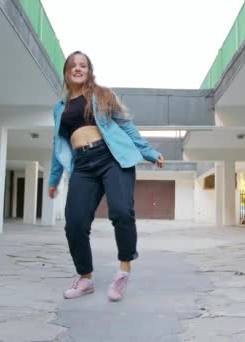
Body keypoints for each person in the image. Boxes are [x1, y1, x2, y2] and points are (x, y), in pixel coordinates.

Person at [48, 51, 164, 302]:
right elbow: (58, 145)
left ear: (89, 71)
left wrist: (149, 152)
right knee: (75, 224)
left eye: (84, 66)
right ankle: (85, 278)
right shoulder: (59, 108)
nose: (78, 69)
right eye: (73, 66)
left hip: (111, 158)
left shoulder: (101, 95)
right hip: (82, 165)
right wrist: (53, 180)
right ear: (67, 72)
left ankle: (123, 271)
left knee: (121, 211)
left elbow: (126, 126)